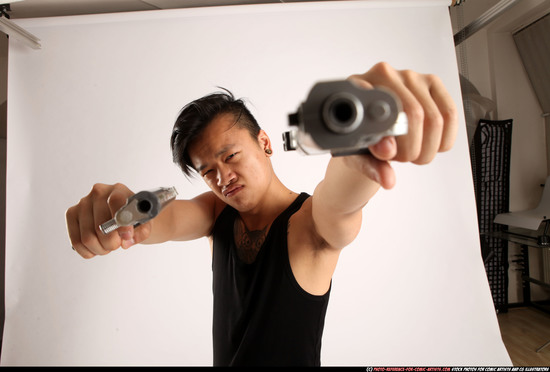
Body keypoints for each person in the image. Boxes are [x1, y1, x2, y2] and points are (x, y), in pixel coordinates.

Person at [65, 62, 458, 366]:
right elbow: (164, 222)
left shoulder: (309, 225)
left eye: (230, 156)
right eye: (208, 172)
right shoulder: (217, 211)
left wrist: (359, 144)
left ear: (265, 142)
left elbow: (341, 198)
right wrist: (128, 215)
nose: (223, 178)